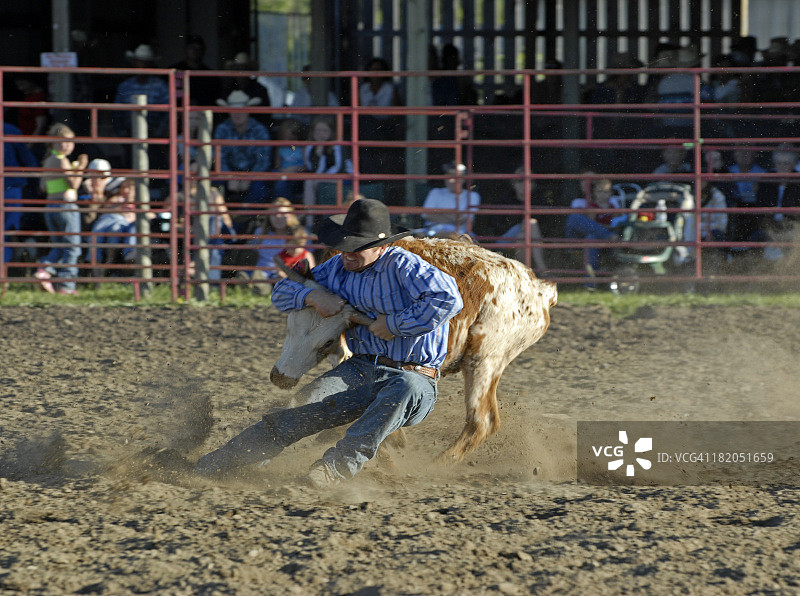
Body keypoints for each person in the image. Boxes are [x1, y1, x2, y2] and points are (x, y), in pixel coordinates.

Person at [195, 198, 464, 487]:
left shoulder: (404, 266)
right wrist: (313, 297)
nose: (347, 253)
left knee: (405, 387)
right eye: (345, 244)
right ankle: (221, 463)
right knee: (298, 407)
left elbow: (449, 299)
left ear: (381, 247)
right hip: (359, 369)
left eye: (357, 247)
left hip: (416, 376)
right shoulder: (336, 267)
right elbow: (283, 291)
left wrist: (395, 325)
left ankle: (333, 469)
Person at [34, 124, 88, 295]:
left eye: (71, 142)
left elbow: (43, 187)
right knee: (73, 247)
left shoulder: (48, 160)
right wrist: (80, 168)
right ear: (55, 142)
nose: (69, 145)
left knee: (60, 244)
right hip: (65, 205)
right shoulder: (61, 160)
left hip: (51, 205)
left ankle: (44, 271)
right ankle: (66, 285)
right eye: (65, 142)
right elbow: (74, 184)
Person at [213, 90, 272, 229]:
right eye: (233, 110)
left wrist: (249, 177)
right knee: (212, 186)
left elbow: (263, 160)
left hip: (253, 175)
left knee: (260, 190)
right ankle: (226, 227)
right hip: (228, 175)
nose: (237, 114)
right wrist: (229, 176)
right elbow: (219, 157)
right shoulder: (222, 129)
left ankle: (234, 227)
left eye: (241, 110)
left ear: (248, 111)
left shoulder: (259, 130)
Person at [565, 176, 623, 277]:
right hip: (600, 236)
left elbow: (616, 222)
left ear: (610, 193)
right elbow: (592, 224)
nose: (603, 195)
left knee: (590, 238)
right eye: (600, 192)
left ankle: (590, 281)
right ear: (595, 193)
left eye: (606, 192)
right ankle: (607, 236)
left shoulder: (612, 205)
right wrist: (607, 231)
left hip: (600, 238)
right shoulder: (589, 205)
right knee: (575, 219)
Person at [247, 197, 305, 294]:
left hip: (286, 273)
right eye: (274, 214)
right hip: (262, 273)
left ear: (291, 216)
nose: (278, 217)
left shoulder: (300, 234)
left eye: (283, 214)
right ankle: (256, 285)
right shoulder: (260, 233)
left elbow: (306, 256)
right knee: (254, 277)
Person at [753, 145, 800, 262]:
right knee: (756, 237)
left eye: (786, 163)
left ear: (794, 164)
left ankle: (789, 271)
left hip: (792, 227)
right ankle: (757, 272)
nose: (782, 167)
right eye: (778, 163)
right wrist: (770, 232)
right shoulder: (766, 181)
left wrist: (787, 233)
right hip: (769, 227)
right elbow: (759, 210)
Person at [303, 116, 352, 225]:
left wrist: (321, 177)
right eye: (318, 130)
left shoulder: (337, 145)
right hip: (323, 179)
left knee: (311, 182)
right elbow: (311, 168)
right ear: (313, 132)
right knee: (309, 182)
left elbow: (338, 168)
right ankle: (309, 223)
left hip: (344, 178)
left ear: (331, 132)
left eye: (325, 131)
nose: (321, 134)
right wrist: (319, 155)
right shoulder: (310, 147)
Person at [499, 166, 549, 272]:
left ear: (533, 184)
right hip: (507, 238)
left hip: (528, 239)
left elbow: (546, 226)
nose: (523, 184)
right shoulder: (505, 199)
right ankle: (543, 271)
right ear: (513, 184)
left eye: (528, 180)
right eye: (519, 181)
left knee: (523, 237)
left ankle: (526, 275)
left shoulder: (539, 201)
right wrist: (521, 225)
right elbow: (498, 225)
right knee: (530, 224)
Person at [3, 121, 39, 265]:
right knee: (8, 231)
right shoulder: (10, 129)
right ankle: (3, 272)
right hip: (11, 186)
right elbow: (28, 160)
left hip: (11, 185)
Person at [419, 162, 481, 236]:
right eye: (449, 176)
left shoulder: (472, 196)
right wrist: (454, 216)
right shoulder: (435, 192)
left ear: (463, 179)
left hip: (460, 233)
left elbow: (468, 220)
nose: (451, 180)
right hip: (434, 231)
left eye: (456, 176)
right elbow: (426, 215)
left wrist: (439, 213)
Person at [170, 34, 219, 108]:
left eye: (198, 48)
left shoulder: (210, 75)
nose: (195, 51)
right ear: (186, 49)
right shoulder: (174, 70)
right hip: (180, 112)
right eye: (192, 48)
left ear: (203, 51)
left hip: (203, 113)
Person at [272, 118, 307, 203]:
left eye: (292, 138)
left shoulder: (302, 148)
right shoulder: (280, 148)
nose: (290, 140)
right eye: (287, 138)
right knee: (280, 182)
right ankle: (282, 204)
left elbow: (306, 166)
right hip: (283, 174)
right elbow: (277, 165)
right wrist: (283, 171)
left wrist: (295, 169)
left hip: (297, 175)